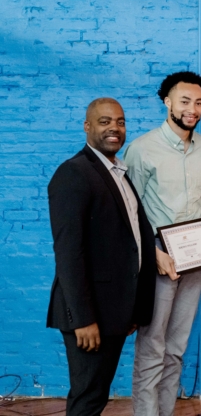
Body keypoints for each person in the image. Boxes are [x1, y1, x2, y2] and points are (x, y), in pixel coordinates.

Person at [47, 98, 157, 415]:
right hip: (89, 314)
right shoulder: (74, 173)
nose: (114, 128)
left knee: (96, 395)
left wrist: (133, 307)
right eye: (105, 121)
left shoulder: (117, 173)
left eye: (120, 122)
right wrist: (83, 319)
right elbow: (68, 253)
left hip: (114, 311)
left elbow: (131, 240)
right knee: (87, 398)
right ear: (88, 126)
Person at [126, 71, 201, 416]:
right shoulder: (141, 149)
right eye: (184, 101)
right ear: (167, 102)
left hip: (194, 260)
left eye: (198, 103)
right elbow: (128, 212)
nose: (192, 109)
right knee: (152, 347)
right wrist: (153, 255)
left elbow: (196, 204)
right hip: (159, 259)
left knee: (176, 348)